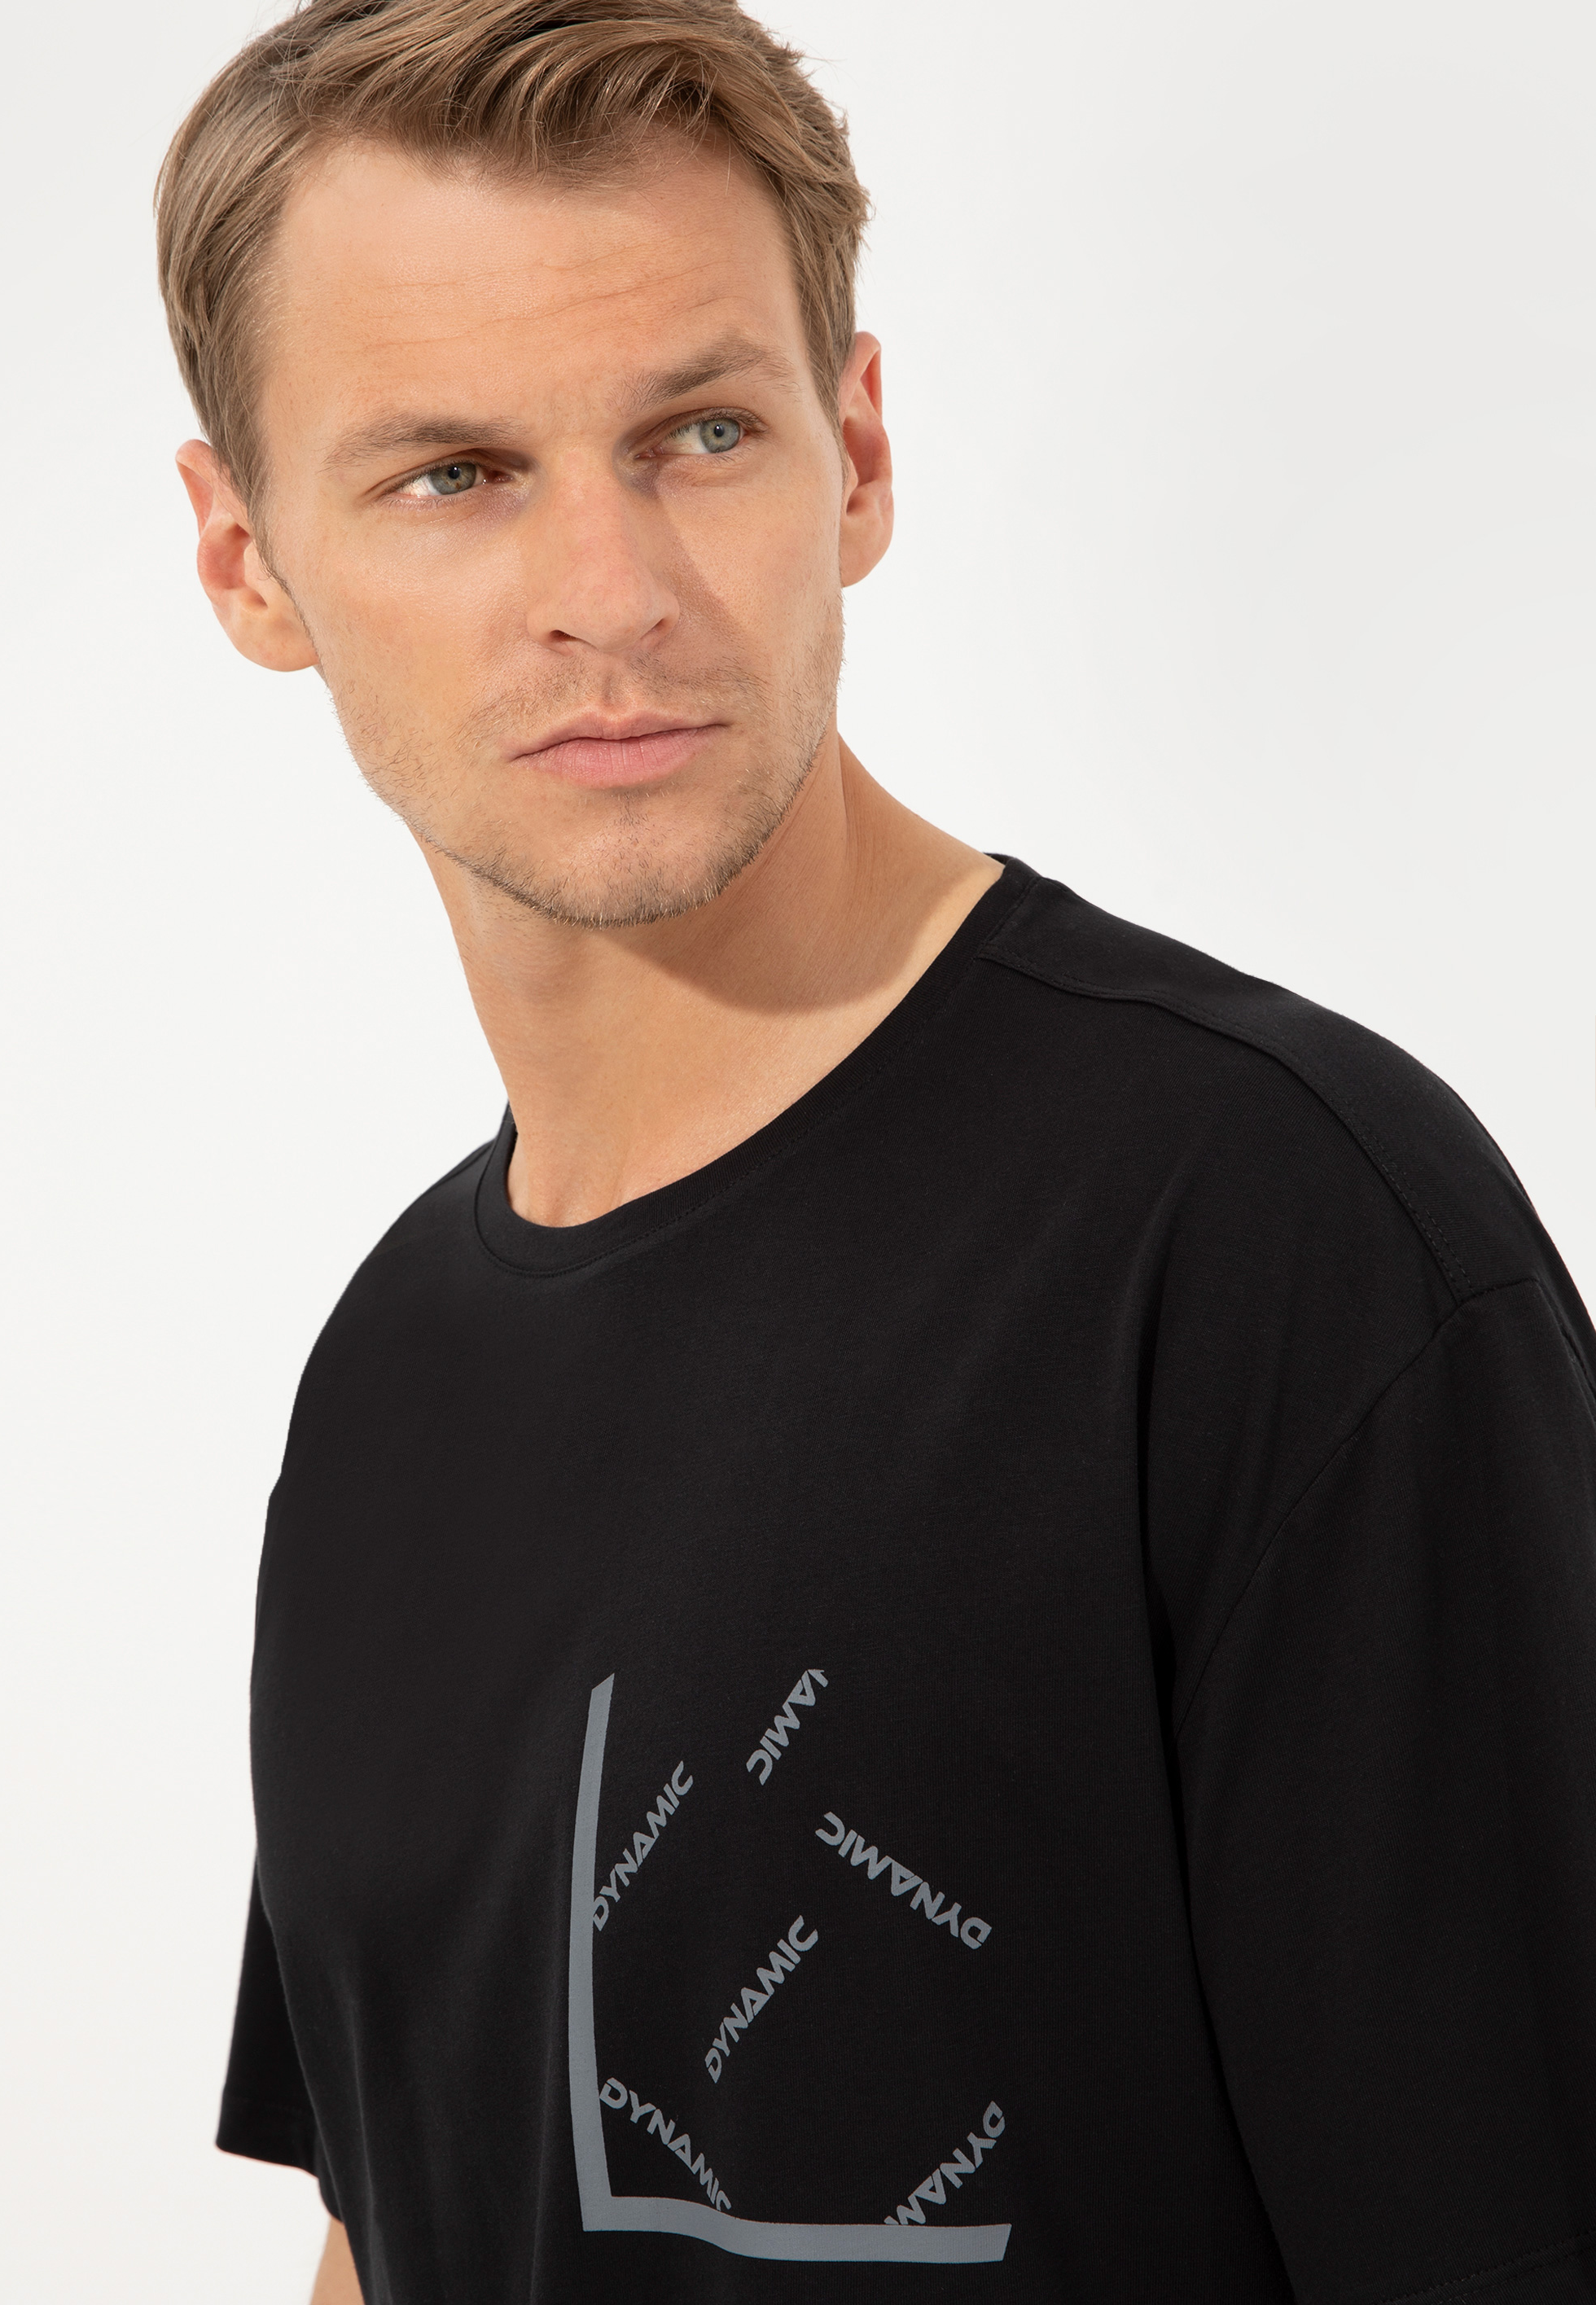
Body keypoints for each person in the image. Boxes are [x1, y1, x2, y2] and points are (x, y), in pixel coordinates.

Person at [156, 2, 1596, 2299]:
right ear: (247, 562)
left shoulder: (1270, 1237)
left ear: (855, 455)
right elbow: (396, 2228)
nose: (612, 586)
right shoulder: (387, 1386)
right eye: (455, 473)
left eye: (699, 433)